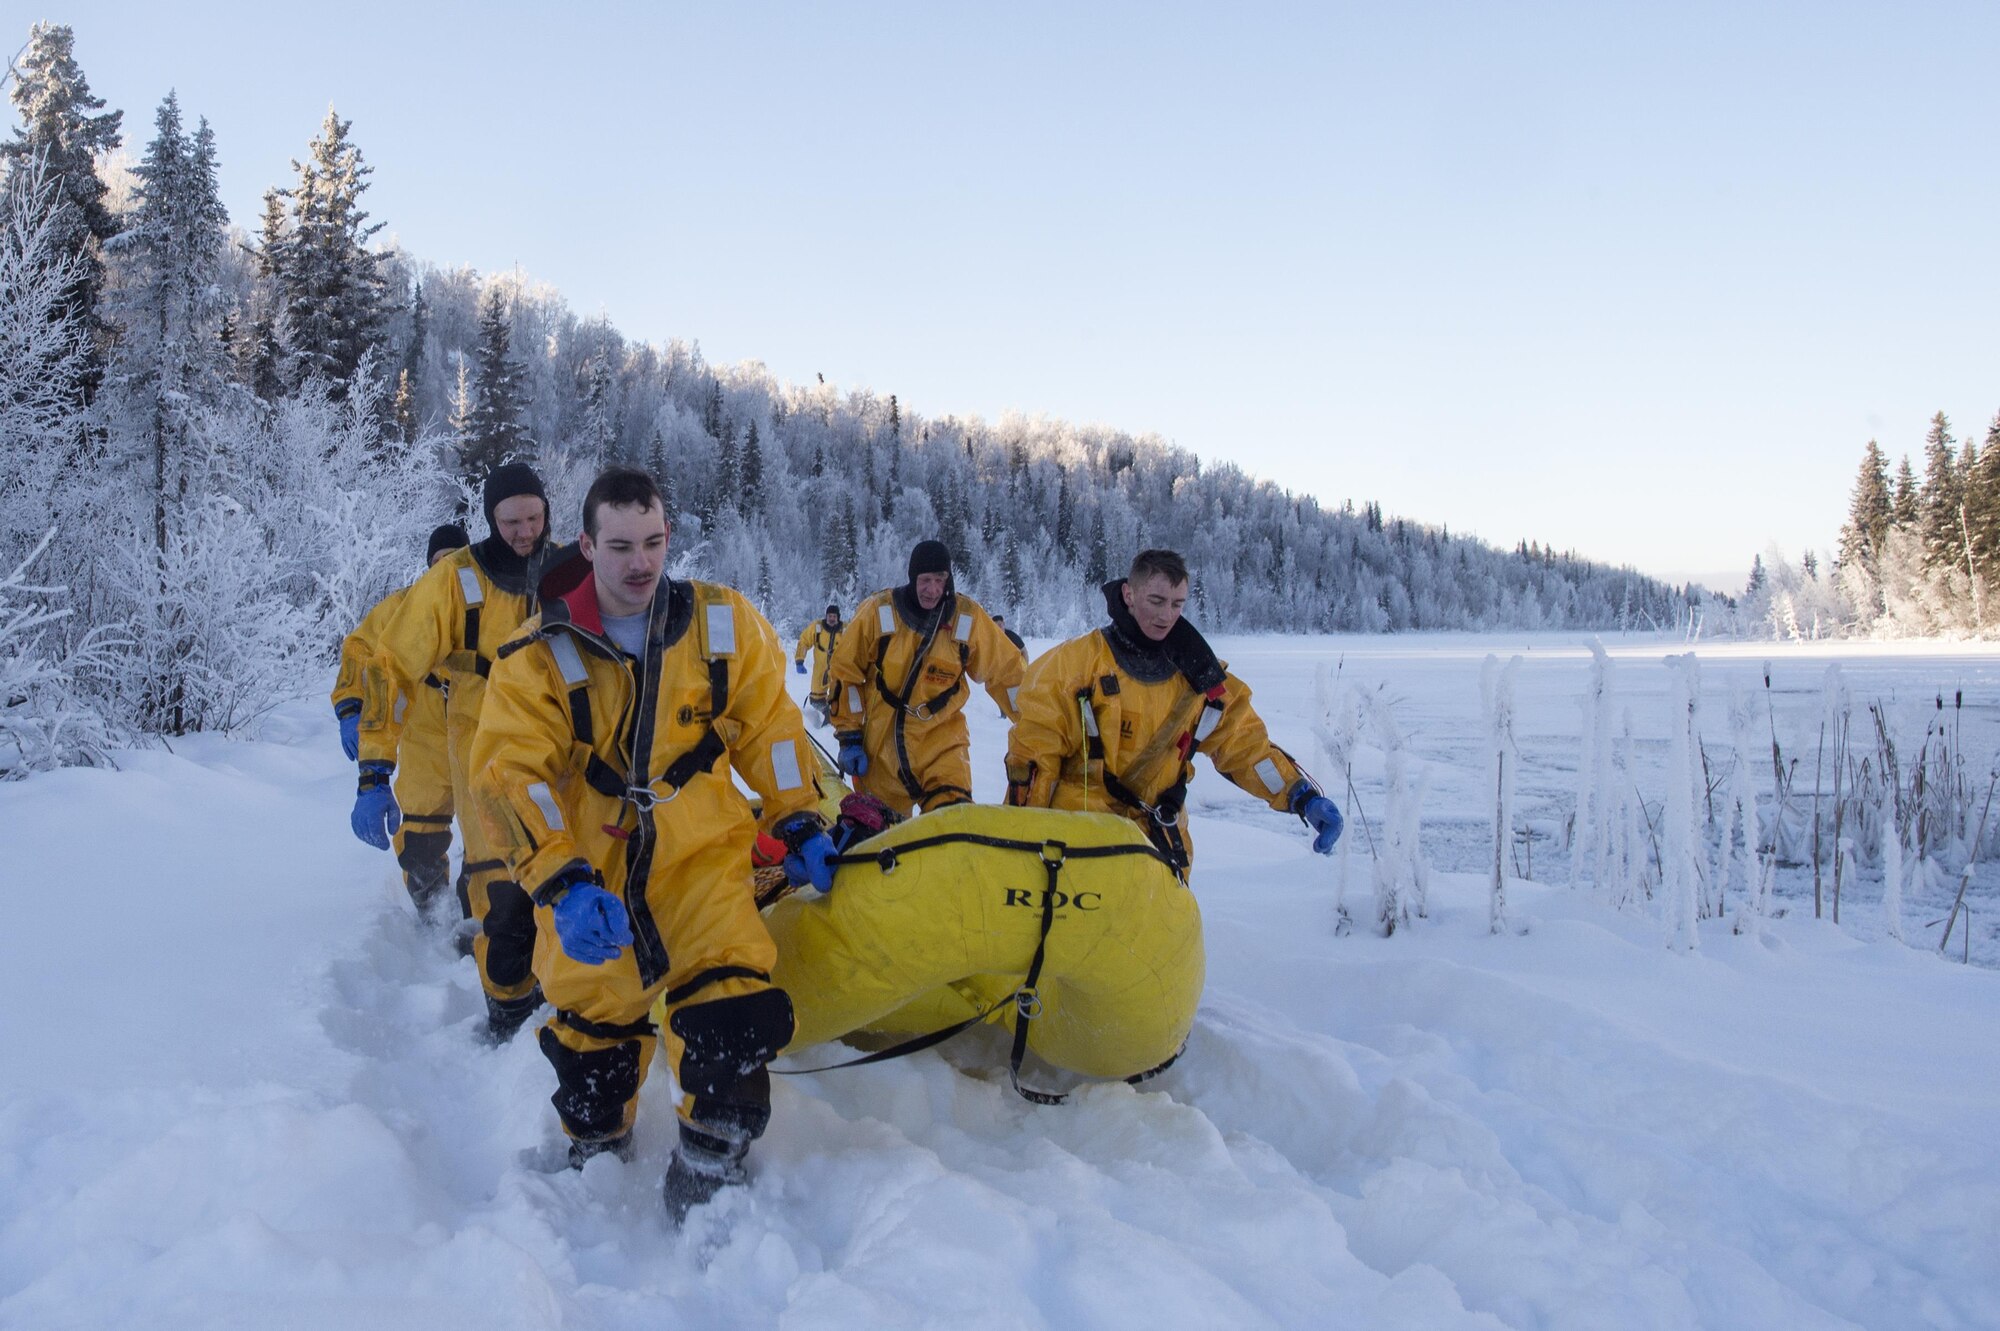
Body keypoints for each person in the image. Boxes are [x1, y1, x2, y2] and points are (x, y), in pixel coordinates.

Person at [470, 465, 832, 1221]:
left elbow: (771, 728)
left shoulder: (721, 625)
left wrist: (798, 814)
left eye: (655, 541)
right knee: (593, 1052)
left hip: (700, 862)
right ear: (587, 545)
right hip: (592, 878)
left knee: (735, 1015)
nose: (641, 562)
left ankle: (710, 1175)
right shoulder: (536, 655)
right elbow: (510, 775)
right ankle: (595, 1155)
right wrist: (561, 882)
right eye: (623, 544)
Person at [351, 463, 569, 1043]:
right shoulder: (455, 579)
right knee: (502, 877)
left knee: (570, 869)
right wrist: (374, 765)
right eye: (510, 520)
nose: (525, 531)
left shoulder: (571, 569)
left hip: (565, 738)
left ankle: (571, 997)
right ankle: (510, 1008)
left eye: (534, 517)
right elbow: (389, 664)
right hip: (482, 738)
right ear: (490, 519)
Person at [1004, 549, 1342, 875]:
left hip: (1156, 850)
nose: (1166, 615)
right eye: (1156, 601)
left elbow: (1245, 746)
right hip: (1074, 847)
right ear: (1128, 594)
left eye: (1177, 604)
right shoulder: (1072, 666)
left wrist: (1300, 795)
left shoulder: (1202, 681)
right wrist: (1019, 841)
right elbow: (1033, 760)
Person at [825, 539, 1024, 815]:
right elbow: (845, 672)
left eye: (940, 580)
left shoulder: (966, 620)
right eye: (925, 580)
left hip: (943, 748)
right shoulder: (879, 612)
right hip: (883, 751)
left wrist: (1035, 724)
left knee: (952, 829)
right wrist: (849, 735)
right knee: (883, 843)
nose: (933, 590)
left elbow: (1008, 673)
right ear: (912, 577)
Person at [331, 522, 468, 915]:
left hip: (480, 739)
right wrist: (350, 706)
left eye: (455, 561)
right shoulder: (403, 608)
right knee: (421, 835)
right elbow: (360, 649)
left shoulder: (486, 605)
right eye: (438, 562)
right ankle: (435, 914)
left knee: (492, 837)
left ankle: (483, 928)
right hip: (424, 741)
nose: (445, 570)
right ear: (428, 566)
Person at [792, 603, 843, 722]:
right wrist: (800, 660)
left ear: (838, 617)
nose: (831, 619)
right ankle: (825, 714)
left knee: (841, 695)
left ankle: (836, 718)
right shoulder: (817, 628)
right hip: (820, 668)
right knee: (816, 699)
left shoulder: (844, 630)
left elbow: (855, 645)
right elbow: (804, 641)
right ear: (826, 616)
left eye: (834, 616)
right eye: (829, 616)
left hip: (839, 669)